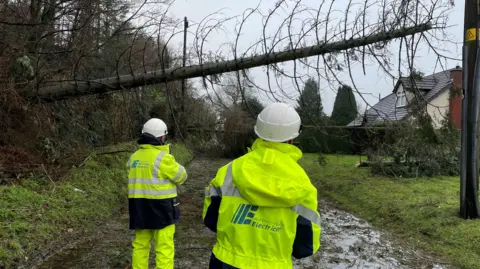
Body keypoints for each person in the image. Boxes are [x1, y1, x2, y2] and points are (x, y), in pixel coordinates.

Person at [202, 102, 321, 269]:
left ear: (258, 131)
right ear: (292, 138)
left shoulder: (229, 171)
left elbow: (210, 219)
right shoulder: (304, 185)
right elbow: (305, 246)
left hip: (225, 262)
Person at [126, 118, 188, 269]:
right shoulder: (163, 158)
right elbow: (182, 176)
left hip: (139, 208)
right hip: (162, 209)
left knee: (140, 246)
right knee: (164, 248)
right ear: (161, 137)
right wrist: (167, 153)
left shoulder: (133, 158)